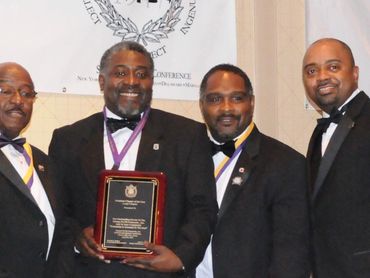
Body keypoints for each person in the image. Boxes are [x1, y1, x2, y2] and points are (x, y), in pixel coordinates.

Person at [48, 41, 217, 277]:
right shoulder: (68, 139)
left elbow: (203, 208)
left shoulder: (187, 135)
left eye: (142, 74)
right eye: (120, 73)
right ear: (101, 81)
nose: (131, 81)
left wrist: (181, 257)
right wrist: (77, 237)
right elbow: (58, 210)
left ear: (152, 82)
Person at [195, 64, 310, 278]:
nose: (226, 108)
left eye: (237, 98)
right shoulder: (186, 155)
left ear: (252, 102)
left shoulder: (285, 163)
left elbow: (291, 254)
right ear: (202, 105)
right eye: (215, 99)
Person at [303, 38, 370, 277]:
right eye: (312, 70)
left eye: (333, 67)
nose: (321, 76)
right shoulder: (320, 131)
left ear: (355, 73)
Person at [0, 62, 71, 277]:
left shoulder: (45, 162)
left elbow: (62, 231)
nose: (18, 101)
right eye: (6, 91)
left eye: (27, 94)